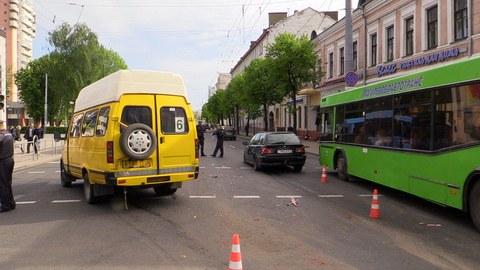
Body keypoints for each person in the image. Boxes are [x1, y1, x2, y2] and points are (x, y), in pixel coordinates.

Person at [0, 119, 15, 212]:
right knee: (8, 183)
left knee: (2, 184)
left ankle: (5, 205)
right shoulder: (8, 133)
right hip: (9, 159)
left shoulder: (1, 135)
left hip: (3, 161)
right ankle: (11, 203)